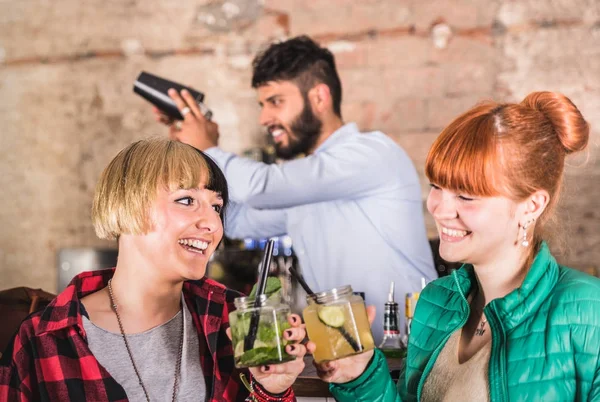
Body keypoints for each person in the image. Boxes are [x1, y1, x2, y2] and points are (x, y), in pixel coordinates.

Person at [308, 91, 600, 401]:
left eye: (465, 196)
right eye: (437, 186)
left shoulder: (588, 311)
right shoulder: (435, 302)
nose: (439, 208)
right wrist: (360, 375)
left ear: (531, 206)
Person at [154, 35, 437, 342]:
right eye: (262, 105)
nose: (265, 118)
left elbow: (259, 188)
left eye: (276, 102)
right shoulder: (305, 189)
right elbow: (233, 220)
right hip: (351, 359)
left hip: (413, 354)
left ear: (319, 97)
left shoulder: (371, 153)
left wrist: (209, 148)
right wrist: (191, 151)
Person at [0, 138, 307, 401]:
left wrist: (272, 391)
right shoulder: (43, 340)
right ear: (127, 205)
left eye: (216, 206)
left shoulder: (232, 319)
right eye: (186, 200)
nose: (213, 224)